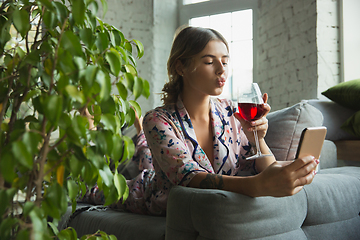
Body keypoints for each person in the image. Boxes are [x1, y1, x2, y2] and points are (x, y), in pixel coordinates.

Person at [82, 26, 319, 216]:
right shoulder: (157, 118)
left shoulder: (232, 111)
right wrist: (256, 185)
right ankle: (101, 134)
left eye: (224, 62)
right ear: (181, 67)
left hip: (162, 165)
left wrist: (257, 139)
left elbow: (265, 169)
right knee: (93, 190)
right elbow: (187, 177)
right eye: (209, 61)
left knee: (147, 158)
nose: (221, 70)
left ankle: (142, 141)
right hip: (149, 193)